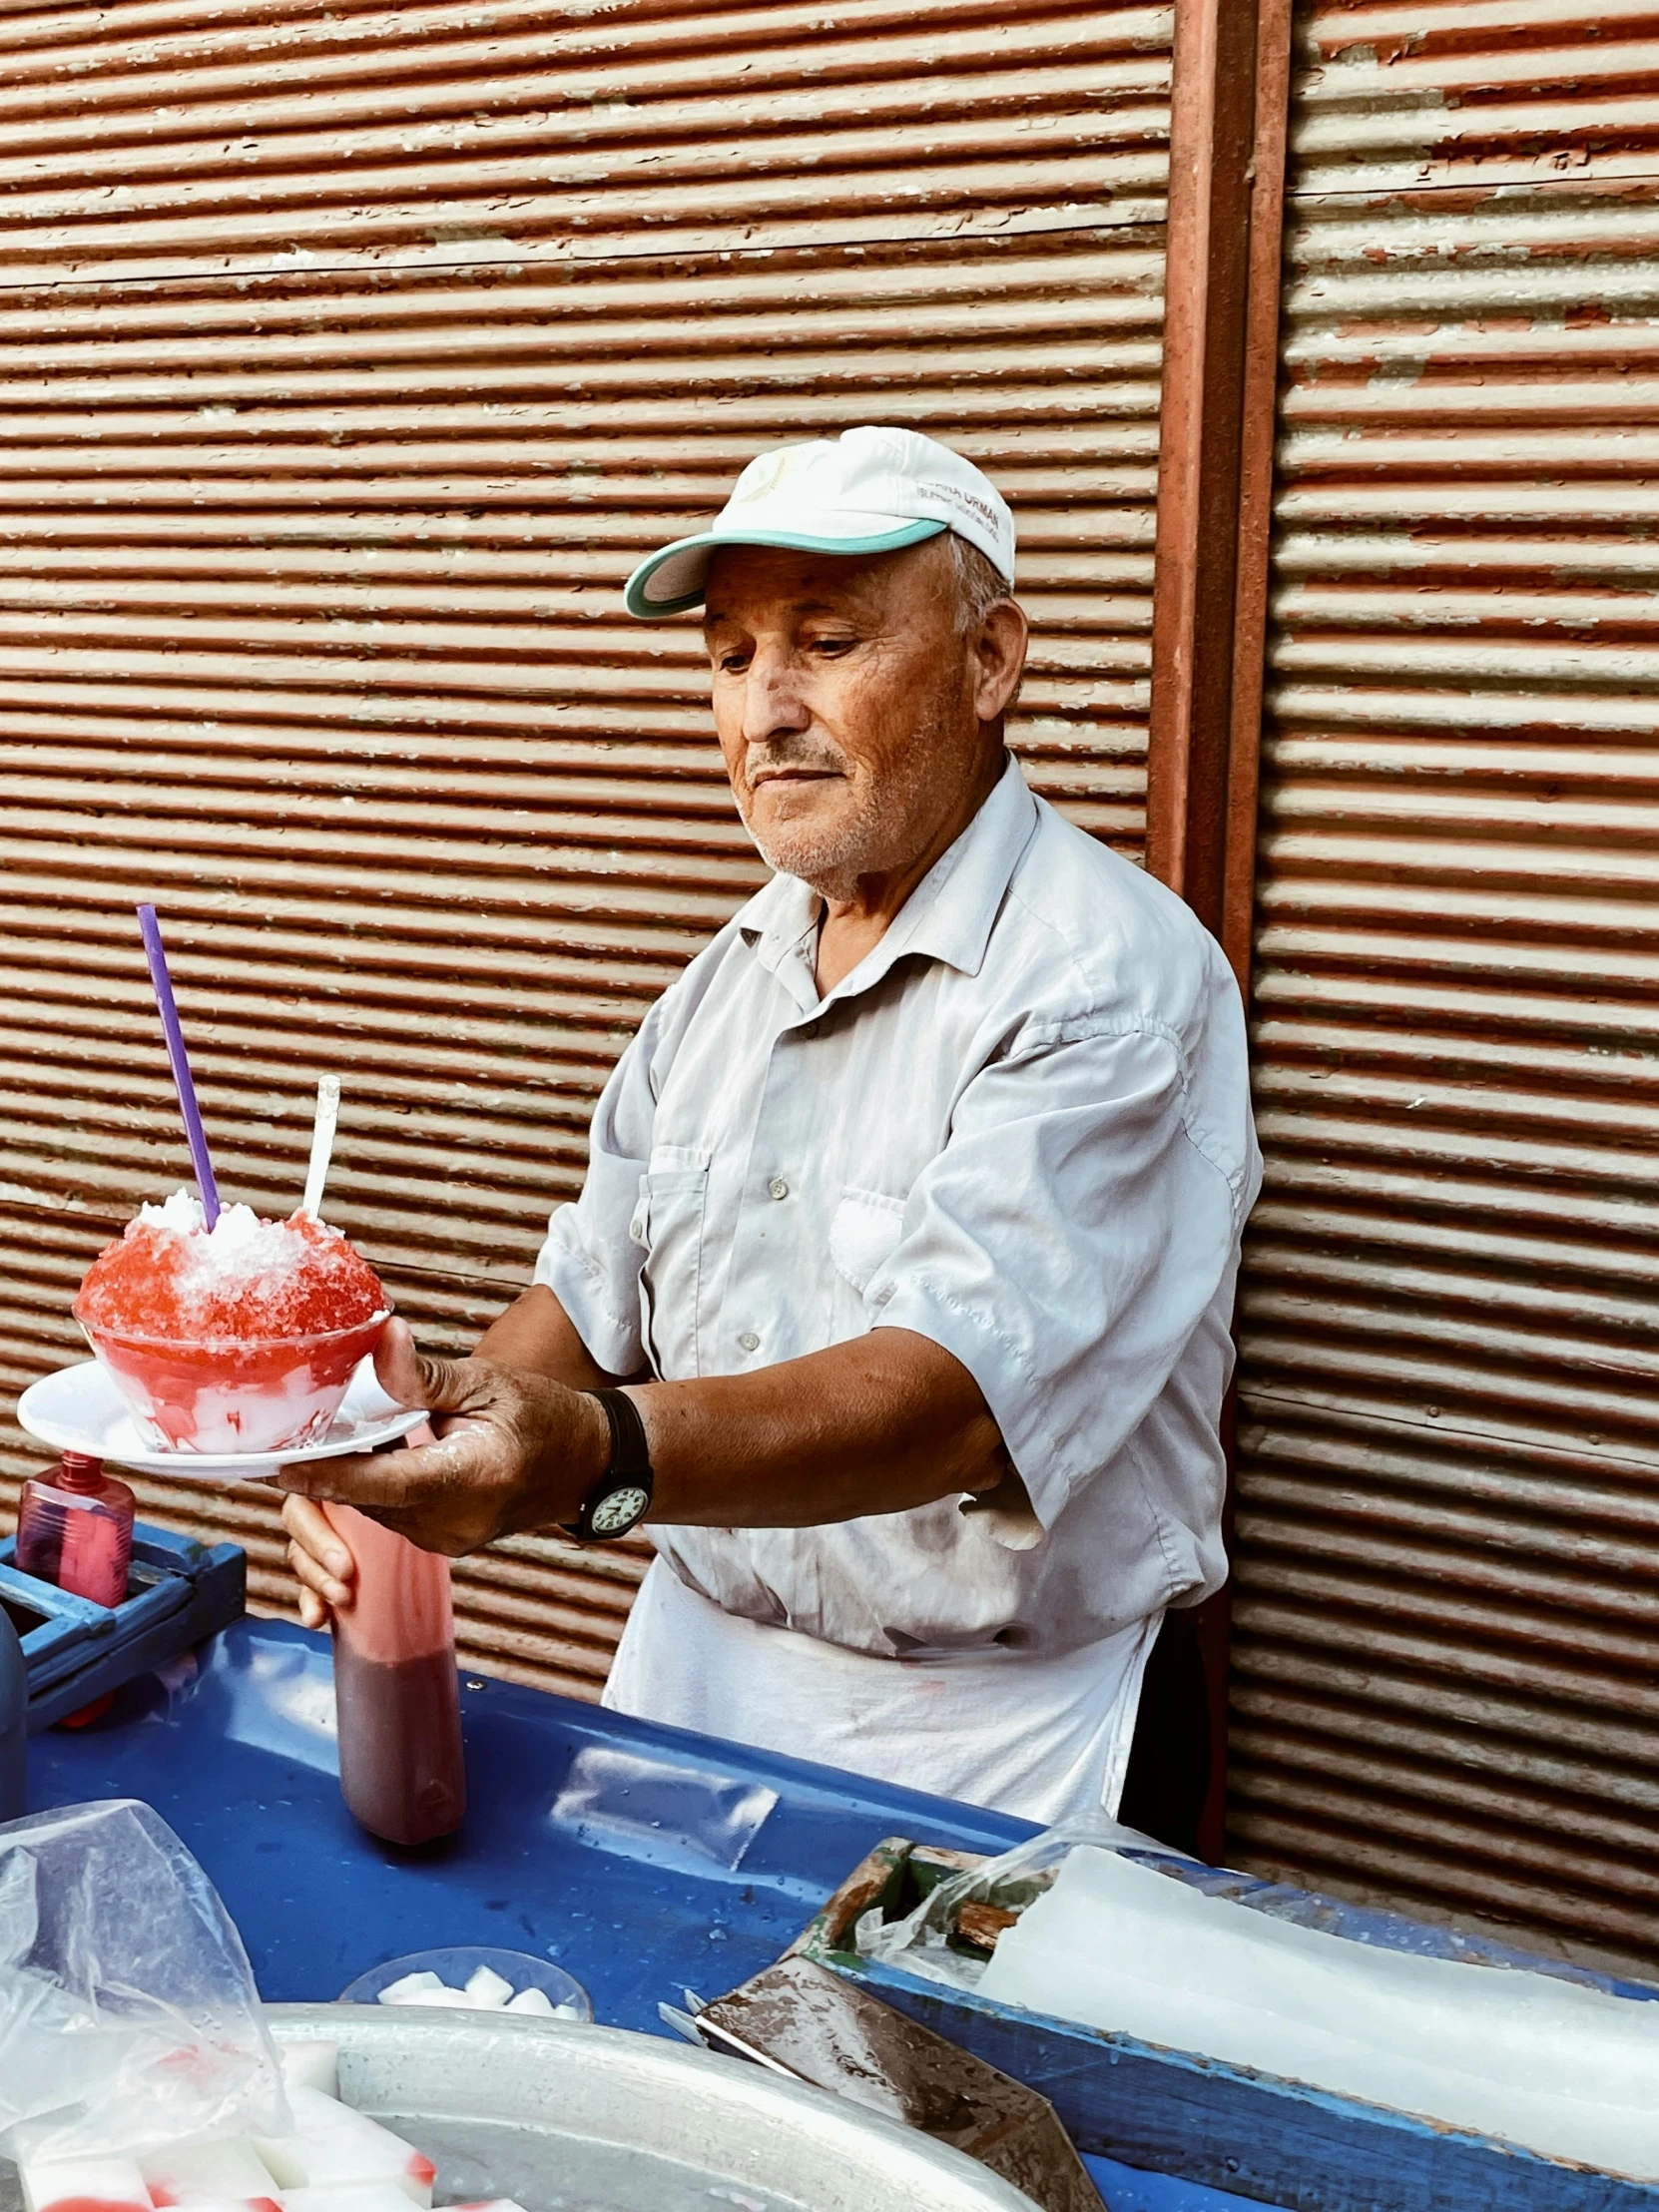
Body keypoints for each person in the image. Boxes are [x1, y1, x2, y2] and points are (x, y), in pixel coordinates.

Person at [279, 425, 1261, 1850]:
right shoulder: (725, 981)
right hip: (700, 1681)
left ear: (989, 661)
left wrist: (586, 1455)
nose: (766, 711)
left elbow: (953, 1401)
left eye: (828, 640)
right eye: (731, 657)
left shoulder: (1107, 978)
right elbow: (588, 1290)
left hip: (1002, 1736)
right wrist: (400, 1459)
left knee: (949, 2081)